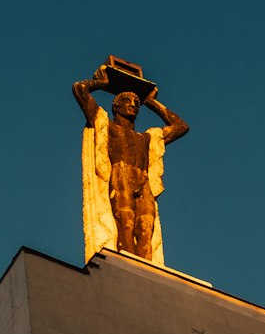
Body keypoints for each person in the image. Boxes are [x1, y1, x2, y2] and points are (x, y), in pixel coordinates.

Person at [73, 66, 189, 264]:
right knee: (125, 223)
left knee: (145, 227)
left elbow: (180, 126)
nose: (133, 105)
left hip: (143, 179)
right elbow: (79, 89)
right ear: (116, 107)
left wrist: (151, 102)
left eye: (136, 103)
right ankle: (126, 264)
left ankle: (148, 270)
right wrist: (102, 84)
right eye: (127, 101)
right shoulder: (106, 125)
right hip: (121, 174)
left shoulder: (147, 138)